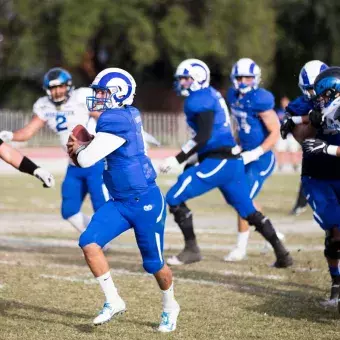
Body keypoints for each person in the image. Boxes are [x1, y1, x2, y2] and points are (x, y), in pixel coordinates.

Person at [67, 68, 180, 332]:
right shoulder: (123, 115)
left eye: (102, 92)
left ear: (118, 94)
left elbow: (85, 160)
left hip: (145, 203)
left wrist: (79, 149)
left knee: (153, 264)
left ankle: (170, 305)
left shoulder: (116, 118)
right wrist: (88, 144)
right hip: (119, 201)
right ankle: (113, 300)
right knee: (88, 242)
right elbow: (108, 146)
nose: (97, 97)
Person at [161, 58, 292, 268]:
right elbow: (213, 134)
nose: (182, 82)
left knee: (174, 196)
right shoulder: (215, 95)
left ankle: (192, 249)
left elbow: (203, 136)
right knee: (248, 210)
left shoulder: (199, 99)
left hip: (222, 161)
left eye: (186, 78)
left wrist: (178, 158)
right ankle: (282, 253)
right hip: (231, 159)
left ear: (197, 78)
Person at [0, 68, 108, 233]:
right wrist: (11, 135)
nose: (57, 91)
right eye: (53, 88)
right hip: (74, 166)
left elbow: (105, 118)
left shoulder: (81, 97)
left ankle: (101, 240)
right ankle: (99, 242)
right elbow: (28, 132)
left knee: (103, 210)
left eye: (60, 86)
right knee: (69, 211)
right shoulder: (44, 106)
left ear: (68, 86)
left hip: (96, 162)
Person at [281, 62, 340, 307]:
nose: (314, 96)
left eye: (319, 91)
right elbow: (302, 138)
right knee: (335, 230)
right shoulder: (303, 105)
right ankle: (336, 284)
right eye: (309, 90)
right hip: (318, 175)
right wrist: (311, 122)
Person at [224, 58, 282, 261]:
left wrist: (256, 152)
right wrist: (237, 144)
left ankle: (241, 247)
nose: (243, 81)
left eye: (247, 78)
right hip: (245, 154)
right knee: (239, 196)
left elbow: (276, 132)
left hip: (261, 158)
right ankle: (271, 234)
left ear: (255, 79)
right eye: (240, 77)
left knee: (242, 199)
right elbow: (240, 125)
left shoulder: (261, 99)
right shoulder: (233, 96)